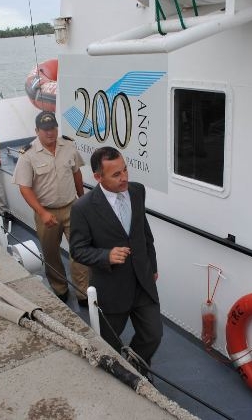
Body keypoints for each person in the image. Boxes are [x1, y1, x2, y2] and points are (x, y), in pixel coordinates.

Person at [69, 146, 162, 370]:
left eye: (125, 170)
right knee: (109, 342)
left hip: (143, 282)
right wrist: (106, 255)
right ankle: (117, 375)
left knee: (153, 335)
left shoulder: (137, 191)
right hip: (112, 288)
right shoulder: (83, 208)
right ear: (98, 177)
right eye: (116, 174)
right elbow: (77, 250)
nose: (124, 178)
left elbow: (144, 233)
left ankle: (135, 368)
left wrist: (152, 266)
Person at [13, 111, 89, 306]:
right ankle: (60, 287)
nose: (50, 133)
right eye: (45, 129)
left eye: (53, 128)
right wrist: (42, 212)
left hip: (72, 207)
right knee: (51, 252)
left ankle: (83, 292)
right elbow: (25, 188)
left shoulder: (68, 146)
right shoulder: (28, 155)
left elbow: (76, 173)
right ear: (37, 131)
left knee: (80, 250)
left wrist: (82, 200)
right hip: (46, 212)